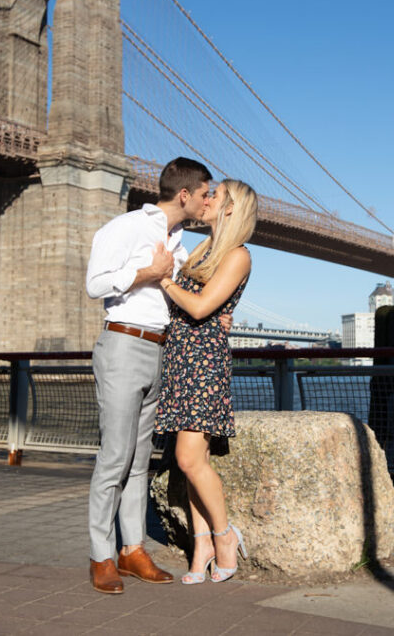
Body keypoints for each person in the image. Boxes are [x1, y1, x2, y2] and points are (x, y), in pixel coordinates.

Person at [84, 157, 212, 595]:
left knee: (140, 462)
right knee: (115, 456)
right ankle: (101, 555)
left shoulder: (178, 242)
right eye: (205, 193)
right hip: (122, 344)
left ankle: (133, 549)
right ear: (185, 194)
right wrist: (148, 274)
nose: (208, 201)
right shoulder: (124, 228)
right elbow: (95, 284)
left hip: (161, 348)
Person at [154, 179, 259, 584]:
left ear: (232, 208)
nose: (207, 197)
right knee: (194, 463)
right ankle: (202, 546)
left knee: (188, 459)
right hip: (182, 358)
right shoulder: (203, 251)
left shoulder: (237, 255)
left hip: (202, 363)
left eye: (216, 194)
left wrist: (164, 278)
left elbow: (198, 308)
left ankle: (225, 535)